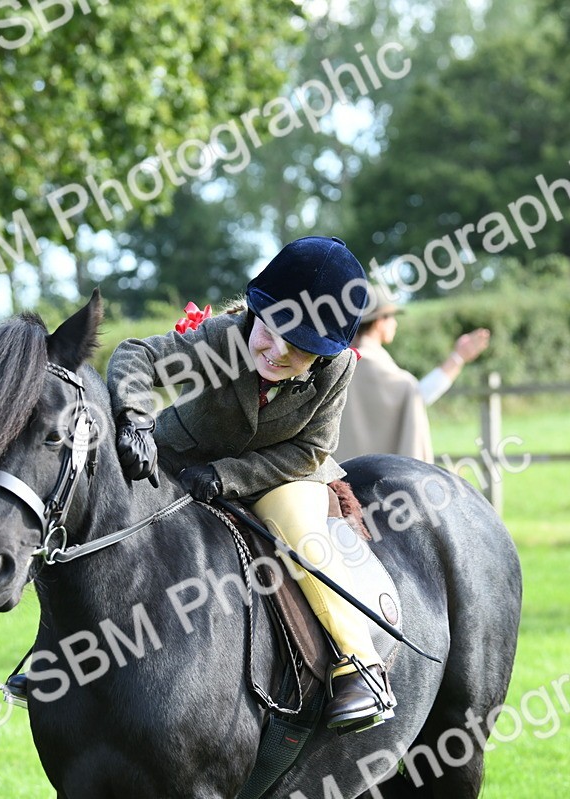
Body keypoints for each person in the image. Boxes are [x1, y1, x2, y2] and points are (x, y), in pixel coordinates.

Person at [107, 236, 394, 733]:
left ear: (325, 353)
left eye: (301, 347)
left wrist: (226, 476)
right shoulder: (221, 338)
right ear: (256, 313)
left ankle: (362, 667)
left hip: (281, 473)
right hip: (185, 460)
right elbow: (135, 357)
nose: (278, 352)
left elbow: (309, 450)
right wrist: (134, 421)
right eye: (274, 331)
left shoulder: (338, 368)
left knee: (297, 528)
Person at [335, 280, 490, 463]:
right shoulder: (374, 365)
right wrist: (458, 358)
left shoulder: (338, 362)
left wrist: (458, 357)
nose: (395, 323)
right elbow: (416, 393)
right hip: (377, 483)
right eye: (391, 316)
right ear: (379, 321)